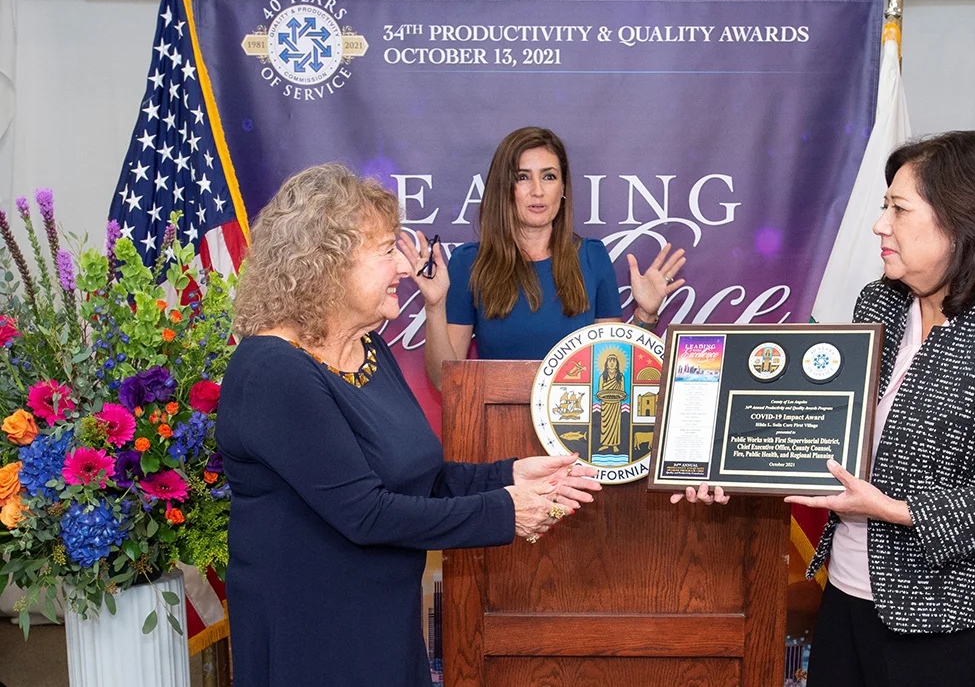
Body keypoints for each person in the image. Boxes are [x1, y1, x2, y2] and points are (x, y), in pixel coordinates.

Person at [216, 163, 603, 687]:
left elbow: (421, 480)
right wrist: (504, 512)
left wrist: (512, 476)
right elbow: (366, 514)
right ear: (327, 265)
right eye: (385, 251)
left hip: (386, 628)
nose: (403, 266)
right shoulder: (271, 371)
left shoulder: (368, 348)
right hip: (312, 640)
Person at [785, 131, 975, 686]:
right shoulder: (879, 303)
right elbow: (827, 429)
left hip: (949, 618)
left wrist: (901, 510)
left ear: (960, 221)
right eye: (883, 207)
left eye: (898, 209)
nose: (880, 224)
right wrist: (727, 466)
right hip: (847, 591)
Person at [399, 126, 686, 389]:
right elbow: (445, 381)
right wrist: (435, 307)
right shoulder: (469, 263)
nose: (538, 190)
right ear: (504, 189)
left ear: (562, 189)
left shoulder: (593, 257)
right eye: (523, 177)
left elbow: (610, 369)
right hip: (499, 431)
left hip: (575, 431)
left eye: (549, 176)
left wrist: (646, 314)